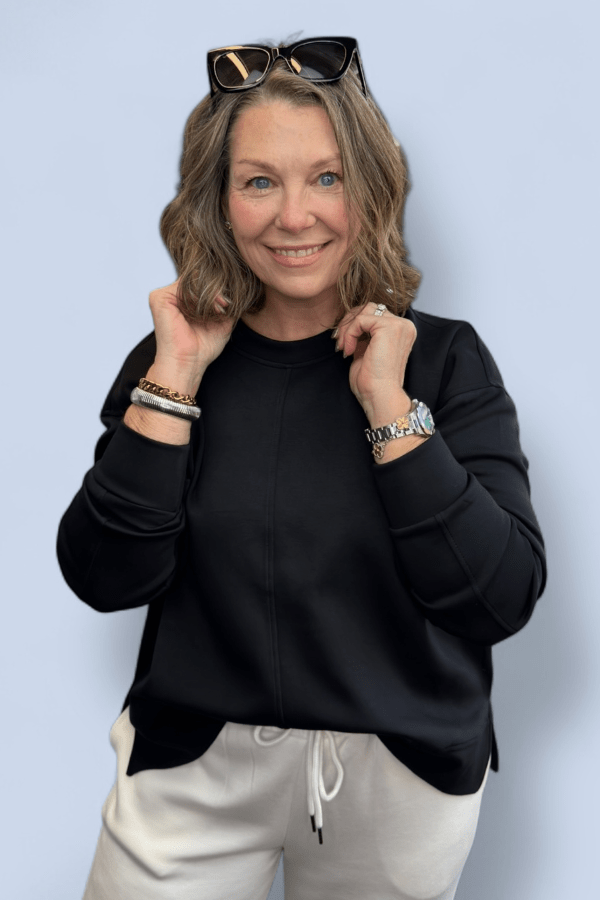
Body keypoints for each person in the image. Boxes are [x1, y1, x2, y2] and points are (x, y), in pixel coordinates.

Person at [57, 36, 546, 900]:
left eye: (326, 178)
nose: (294, 216)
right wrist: (172, 379)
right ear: (219, 199)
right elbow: (106, 574)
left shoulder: (443, 363)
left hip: (397, 771)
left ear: (370, 188)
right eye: (259, 181)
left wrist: (391, 411)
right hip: (192, 763)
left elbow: (496, 595)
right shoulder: (170, 356)